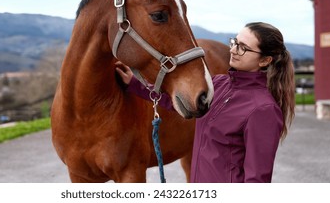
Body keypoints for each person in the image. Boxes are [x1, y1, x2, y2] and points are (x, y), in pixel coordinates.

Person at [115, 22, 295, 183]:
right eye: (234, 42)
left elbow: (257, 179)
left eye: (243, 48)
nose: (232, 50)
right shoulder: (219, 83)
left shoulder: (264, 109)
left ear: (265, 60)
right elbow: (174, 102)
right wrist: (135, 84)